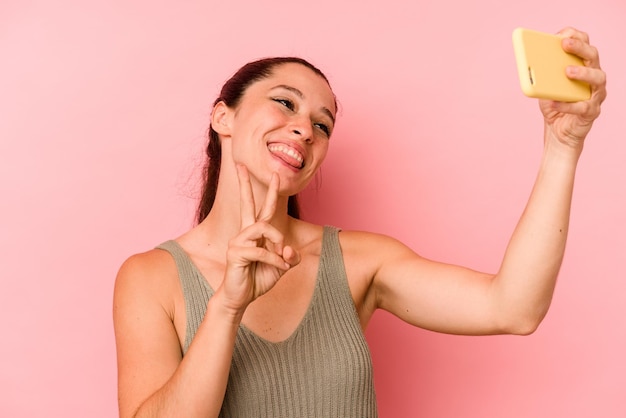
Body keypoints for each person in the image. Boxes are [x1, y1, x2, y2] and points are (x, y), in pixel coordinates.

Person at [113, 27, 606, 418]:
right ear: (224, 116)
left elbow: (513, 308)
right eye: (285, 103)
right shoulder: (150, 278)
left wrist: (563, 148)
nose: (305, 129)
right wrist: (226, 308)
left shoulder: (359, 262)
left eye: (322, 125)